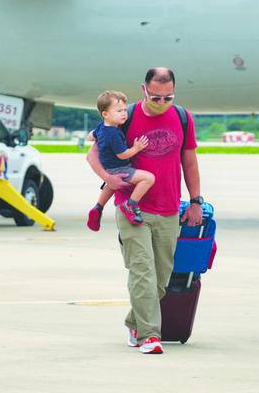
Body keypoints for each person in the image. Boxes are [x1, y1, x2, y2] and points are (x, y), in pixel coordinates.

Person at [85, 68, 203, 355]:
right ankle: (149, 336)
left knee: (161, 279)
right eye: (156, 97)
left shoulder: (183, 118)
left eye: (168, 97)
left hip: (169, 208)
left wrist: (196, 200)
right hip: (131, 206)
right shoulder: (125, 117)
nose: (162, 103)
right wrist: (109, 178)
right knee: (142, 272)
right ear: (144, 90)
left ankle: (134, 321)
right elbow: (92, 153)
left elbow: (189, 162)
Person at [87, 90, 154, 230]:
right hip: (120, 168)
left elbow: (90, 136)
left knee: (111, 185)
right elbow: (123, 155)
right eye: (119, 111)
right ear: (105, 114)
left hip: (109, 168)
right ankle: (131, 204)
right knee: (148, 178)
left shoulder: (101, 127)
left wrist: (97, 137)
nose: (124, 113)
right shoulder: (114, 134)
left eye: (125, 109)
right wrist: (137, 147)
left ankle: (98, 207)